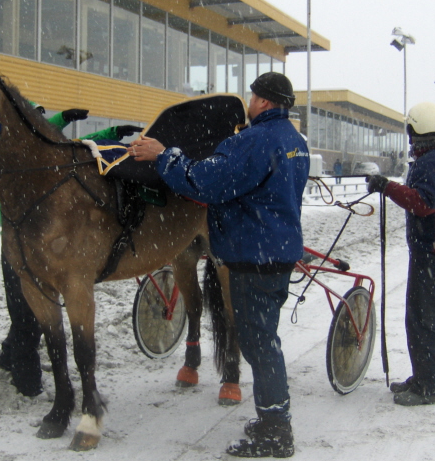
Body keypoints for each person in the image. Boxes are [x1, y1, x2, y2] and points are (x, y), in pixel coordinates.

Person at [128, 72, 309, 458]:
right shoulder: (295, 141)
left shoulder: (254, 140)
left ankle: (277, 430)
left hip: (251, 256)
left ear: (262, 101)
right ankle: (271, 418)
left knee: (260, 345)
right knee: (265, 341)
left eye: (253, 95)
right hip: (279, 253)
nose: (249, 101)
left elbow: (206, 182)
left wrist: (164, 155)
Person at [0, 105, 142, 396]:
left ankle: (9, 355)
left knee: (26, 312)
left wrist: (112, 133)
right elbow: (54, 137)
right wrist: (63, 118)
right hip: (19, 244)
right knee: (27, 314)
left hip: (29, 241)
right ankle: (27, 380)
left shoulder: (33, 145)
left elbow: (77, 146)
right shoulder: (16, 151)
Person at [366, 101, 435, 406]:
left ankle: (428, 388)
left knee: (422, 321)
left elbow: (423, 203)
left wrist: (386, 187)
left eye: (410, 131)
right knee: (423, 318)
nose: (409, 138)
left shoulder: (429, 163)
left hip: (432, 256)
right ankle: (421, 377)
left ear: (419, 130)